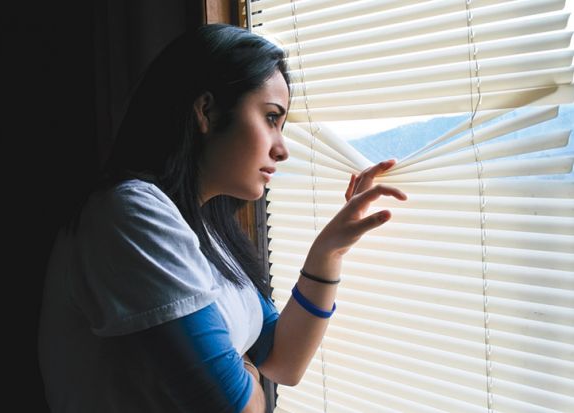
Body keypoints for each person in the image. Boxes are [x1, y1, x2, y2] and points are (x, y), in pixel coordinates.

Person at [38, 23, 406, 413]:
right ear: (207, 111)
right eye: (270, 118)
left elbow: (284, 360)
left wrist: (329, 251)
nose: (282, 150)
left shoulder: (205, 229)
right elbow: (241, 409)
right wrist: (244, 370)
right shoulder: (132, 215)